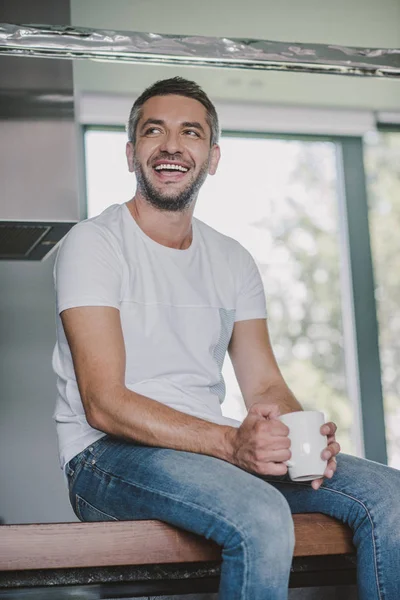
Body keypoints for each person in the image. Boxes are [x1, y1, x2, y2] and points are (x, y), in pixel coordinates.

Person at [52, 76, 400, 600]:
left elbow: (265, 387)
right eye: (154, 132)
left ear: (212, 157)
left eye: (190, 133)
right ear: (131, 153)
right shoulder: (93, 244)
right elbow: (104, 403)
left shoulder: (232, 258)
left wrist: (302, 441)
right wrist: (230, 444)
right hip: (106, 458)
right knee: (258, 513)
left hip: (211, 452)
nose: (172, 146)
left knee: (389, 496)